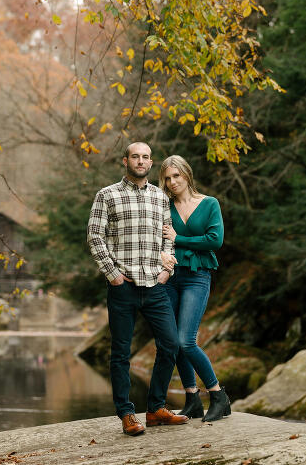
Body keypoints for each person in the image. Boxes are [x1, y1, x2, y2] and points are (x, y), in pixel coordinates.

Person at [87, 142, 189, 436]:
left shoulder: (160, 197)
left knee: (170, 345)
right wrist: (113, 275)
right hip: (123, 288)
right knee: (120, 353)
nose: (141, 161)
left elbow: (168, 238)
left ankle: (156, 408)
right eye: (136, 156)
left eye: (145, 157)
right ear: (126, 160)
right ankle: (127, 414)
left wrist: (166, 271)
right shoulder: (107, 195)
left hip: (155, 286)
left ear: (150, 162)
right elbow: (95, 237)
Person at [158, 155, 231, 422]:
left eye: (176, 175)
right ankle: (191, 399)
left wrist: (180, 239)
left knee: (185, 340)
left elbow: (215, 240)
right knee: (173, 342)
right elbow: (158, 240)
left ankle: (218, 395)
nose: (172, 182)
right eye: (167, 178)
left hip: (197, 276)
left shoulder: (210, 204)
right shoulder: (164, 207)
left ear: (187, 175)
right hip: (170, 278)